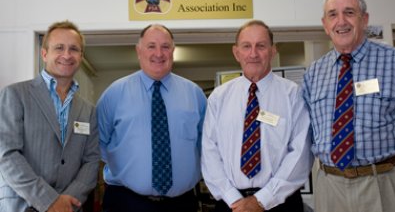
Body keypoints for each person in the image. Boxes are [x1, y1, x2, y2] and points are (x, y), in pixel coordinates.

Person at [302, 0, 395, 212]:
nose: (341, 21)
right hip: (330, 186)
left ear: (364, 20)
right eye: (333, 14)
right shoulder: (314, 73)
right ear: (325, 24)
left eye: (349, 12)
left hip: (388, 183)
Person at [201, 20, 313, 212]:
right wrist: (233, 199)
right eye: (246, 46)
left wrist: (262, 200)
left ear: (272, 51)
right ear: (236, 53)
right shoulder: (219, 97)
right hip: (231, 204)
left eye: (261, 46)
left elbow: (300, 153)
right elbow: (209, 152)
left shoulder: (293, 94)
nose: (253, 54)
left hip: (280, 203)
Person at [97, 24, 207, 212]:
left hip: (181, 204)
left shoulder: (194, 94)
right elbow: (98, 143)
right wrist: (129, 166)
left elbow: (206, 144)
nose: (159, 53)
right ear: (138, 51)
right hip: (126, 202)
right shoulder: (114, 93)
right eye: (151, 46)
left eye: (165, 46)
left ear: (173, 51)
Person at [0, 20, 100, 212]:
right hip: (22, 204)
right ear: (44, 54)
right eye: (59, 48)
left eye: (74, 49)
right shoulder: (14, 95)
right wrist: (49, 200)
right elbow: (7, 155)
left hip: (69, 207)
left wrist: (68, 201)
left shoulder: (88, 110)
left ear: (81, 56)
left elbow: (91, 161)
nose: (66, 55)